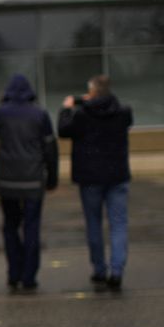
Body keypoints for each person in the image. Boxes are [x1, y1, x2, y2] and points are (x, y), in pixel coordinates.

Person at [60, 74, 133, 292]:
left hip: (90, 178)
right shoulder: (123, 113)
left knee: (93, 223)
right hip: (117, 176)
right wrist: (91, 101)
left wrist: (67, 108)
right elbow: (112, 110)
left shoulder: (82, 115)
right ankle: (117, 269)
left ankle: (100, 269)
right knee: (118, 223)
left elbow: (63, 130)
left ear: (92, 92)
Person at [0, 74, 58, 293]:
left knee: (10, 226)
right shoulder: (40, 115)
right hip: (33, 180)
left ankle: (13, 272)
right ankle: (29, 275)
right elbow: (50, 150)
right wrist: (51, 178)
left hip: (8, 181)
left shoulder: (0, 113)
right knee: (32, 227)